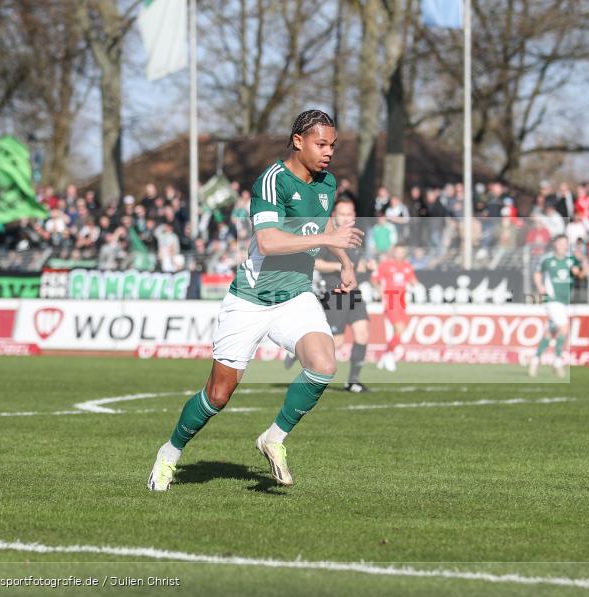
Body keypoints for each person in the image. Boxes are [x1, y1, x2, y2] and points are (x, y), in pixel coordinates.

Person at [147, 110, 363, 491]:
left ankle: (273, 438)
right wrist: (328, 240)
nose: (328, 152)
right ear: (298, 141)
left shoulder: (327, 183)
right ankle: (170, 452)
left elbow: (323, 224)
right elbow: (268, 241)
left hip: (295, 296)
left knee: (324, 364)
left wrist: (344, 262)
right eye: (321, 144)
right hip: (251, 299)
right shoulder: (271, 180)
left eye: (332, 145)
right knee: (218, 395)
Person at [311, 197, 372, 393]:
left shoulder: (356, 237)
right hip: (334, 293)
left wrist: (367, 267)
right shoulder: (327, 237)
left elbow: (357, 265)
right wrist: (340, 265)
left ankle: (353, 381)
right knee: (337, 341)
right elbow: (315, 263)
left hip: (353, 293)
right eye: (342, 214)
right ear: (334, 216)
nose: (346, 218)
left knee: (363, 332)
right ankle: (304, 356)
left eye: (349, 213)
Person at [529, 235, 585, 378]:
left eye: (565, 243)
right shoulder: (547, 259)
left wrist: (583, 261)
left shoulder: (570, 260)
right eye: (560, 243)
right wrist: (540, 286)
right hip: (552, 300)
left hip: (565, 301)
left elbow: (580, 275)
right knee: (564, 328)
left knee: (551, 332)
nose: (562, 246)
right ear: (555, 244)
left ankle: (535, 360)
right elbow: (537, 273)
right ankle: (557, 362)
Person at [371, 243, 419, 372]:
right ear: (393, 252)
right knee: (399, 329)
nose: (399, 254)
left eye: (402, 251)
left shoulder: (407, 266)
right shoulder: (385, 265)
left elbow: (414, 281)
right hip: (391, 300)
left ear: (405, 253)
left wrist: (414, 284)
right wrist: (380, 292)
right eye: (398, 251)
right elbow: (374, 279)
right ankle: (389, 356)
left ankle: (386, 355)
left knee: (400, 331)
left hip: (402, 301)